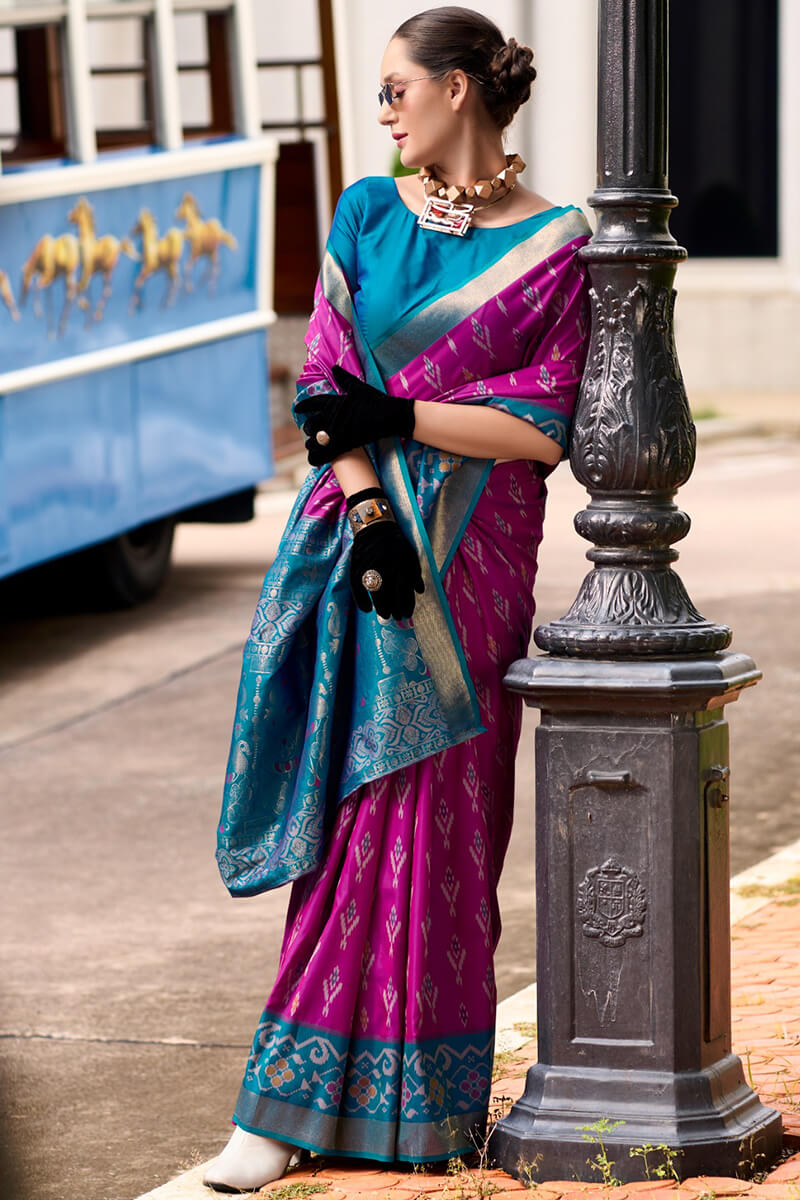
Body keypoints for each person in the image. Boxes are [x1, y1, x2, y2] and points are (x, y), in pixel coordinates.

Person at [204, 6, 591, 1192]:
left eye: (394, 89)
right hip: (364, 546)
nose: (383, 111)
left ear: (458, 87)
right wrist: (371, 509)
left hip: (472, 561)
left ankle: (422, 1113)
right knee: (353, 805)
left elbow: (545, 424)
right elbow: (326, 387)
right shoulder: (367, 214)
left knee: (437, 814)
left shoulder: (558, 245)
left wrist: (402, 414)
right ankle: (279, 1108)